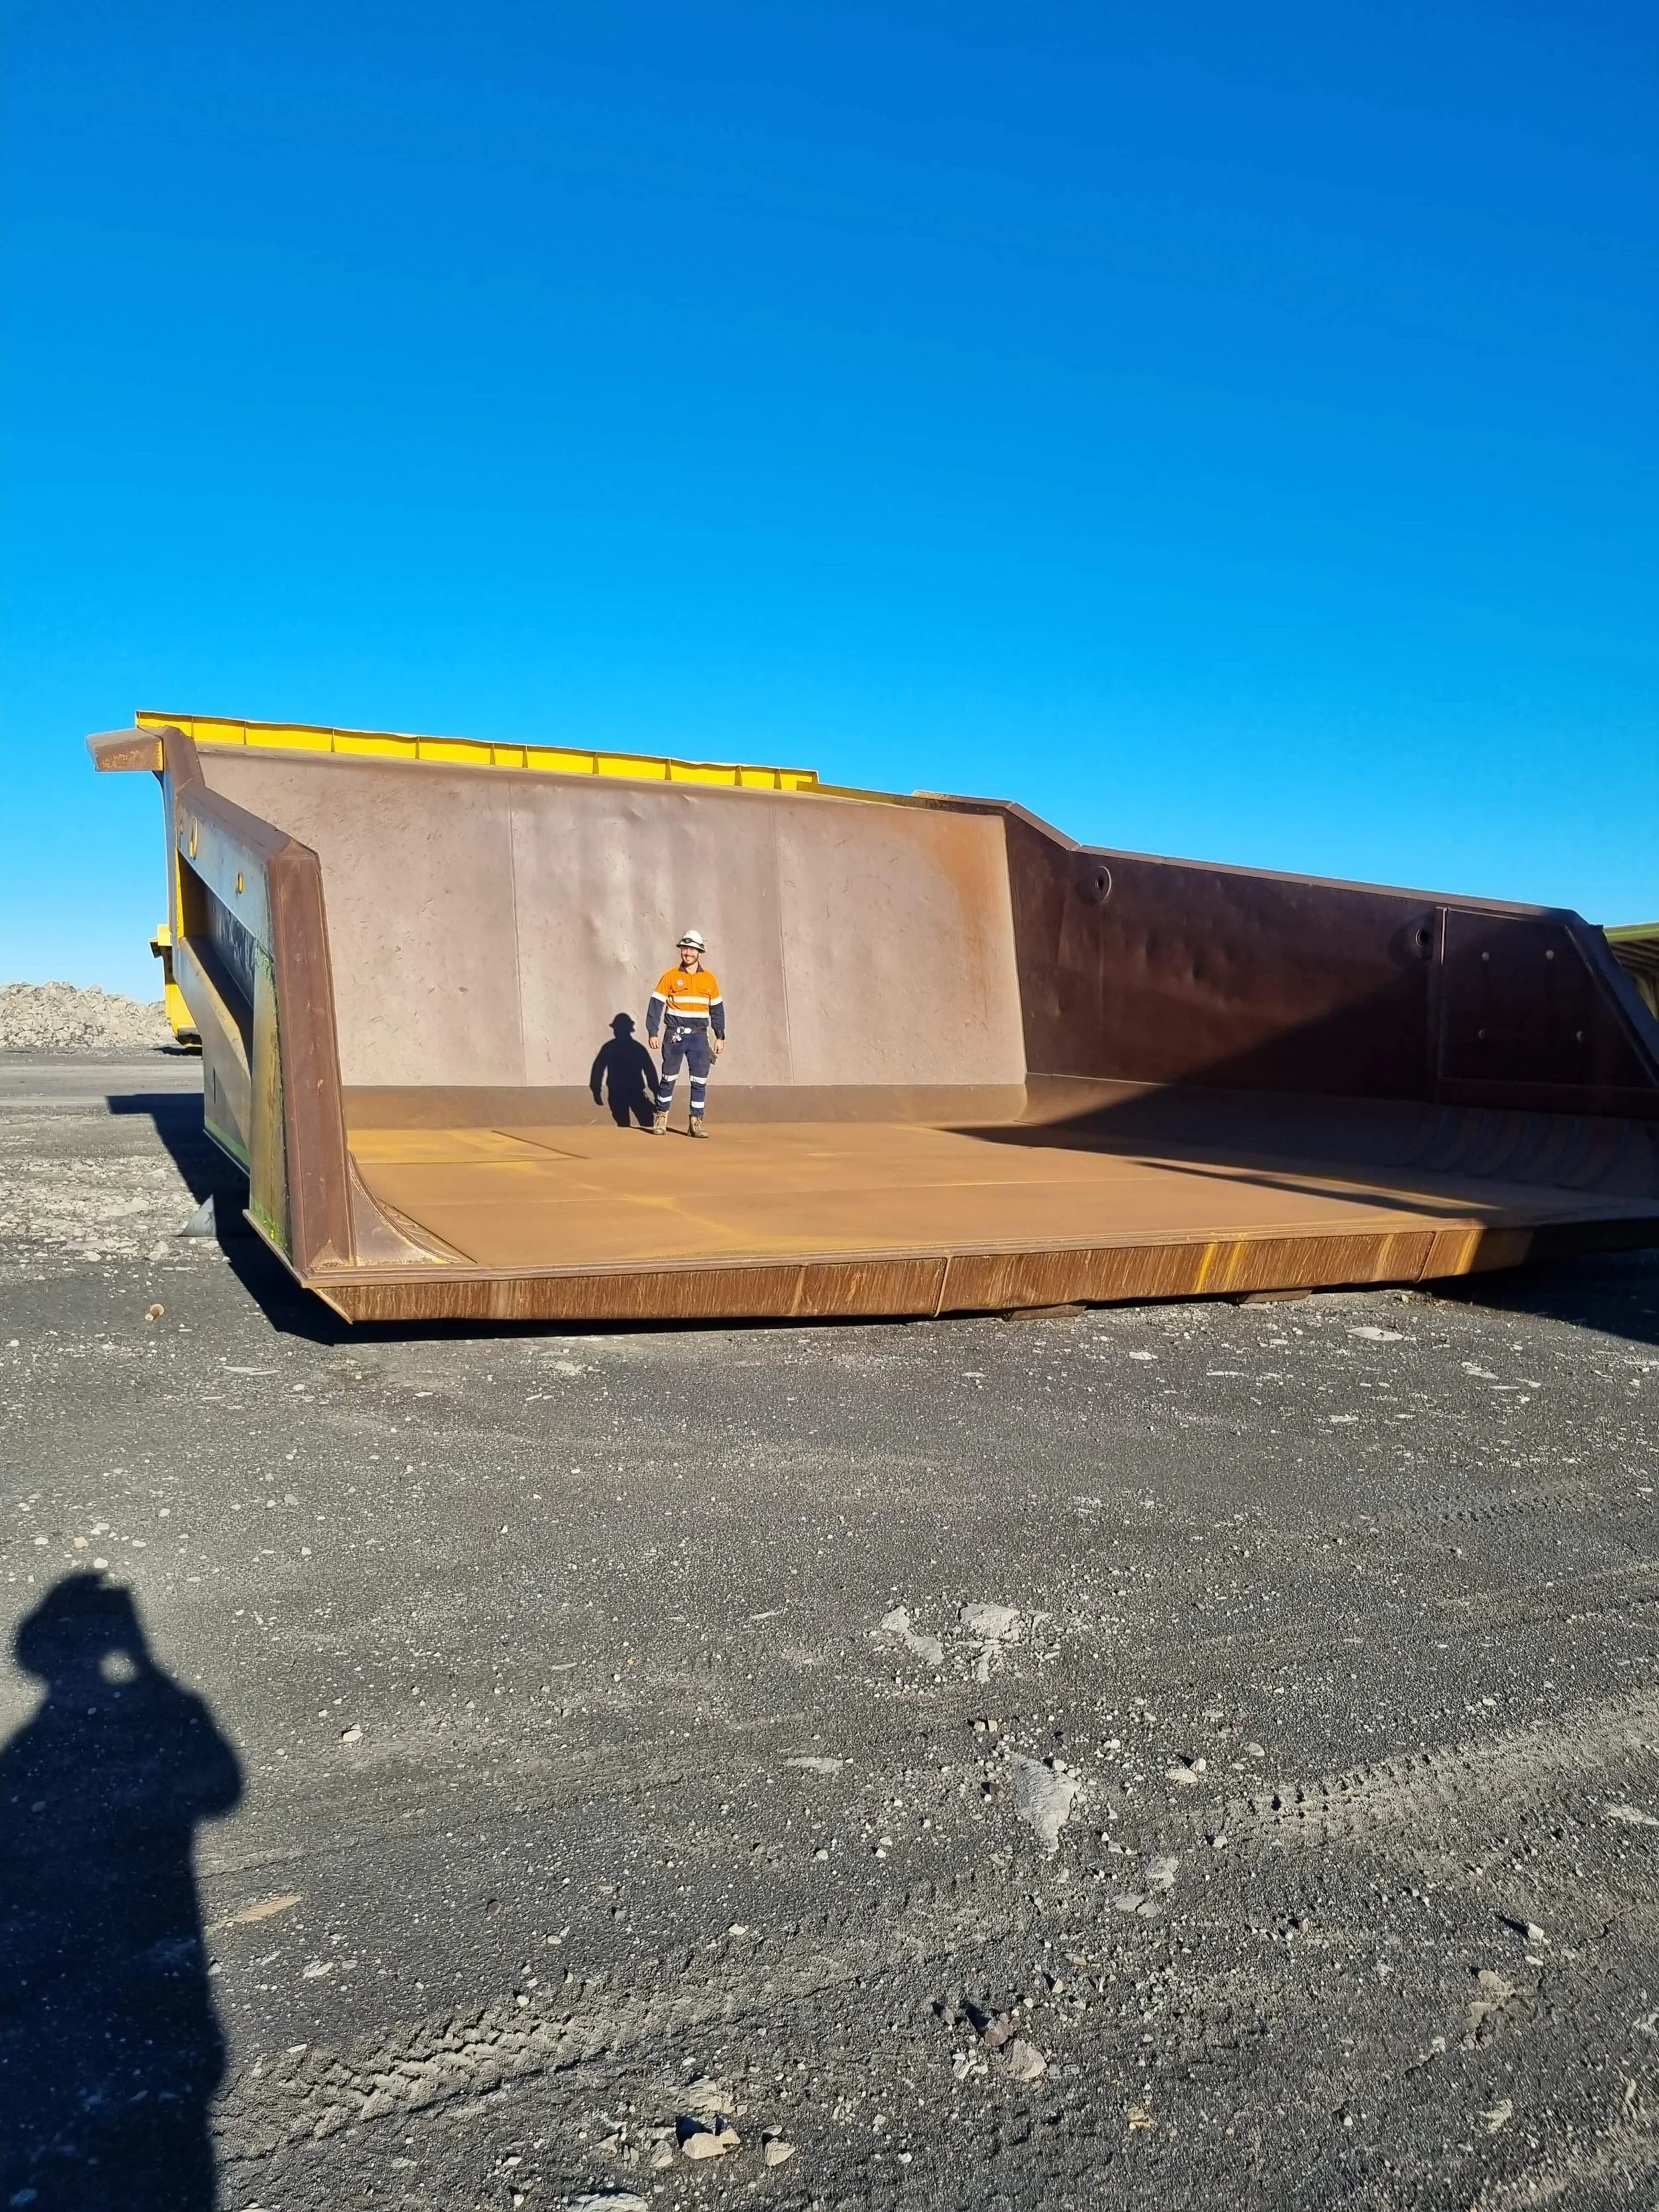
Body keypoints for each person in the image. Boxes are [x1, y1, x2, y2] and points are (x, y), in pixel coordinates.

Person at [646, 929, 725, 1138]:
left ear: (700, 952)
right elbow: (656, 1005)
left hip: (700, 1037)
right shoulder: (670, 976)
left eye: (692, 949)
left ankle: (696, 1122)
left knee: (699, 1081)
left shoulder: (709, 979)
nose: (687, 953)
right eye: (685, 948)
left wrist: (720, 1036)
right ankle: (661, 1116)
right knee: (668, 1077)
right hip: (675, 1036)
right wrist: (653, 1031)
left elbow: (717, 1009)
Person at [589, 1012, 658, 1130]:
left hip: (629, 1093)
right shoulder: (637, 1048)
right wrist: (657, 1094)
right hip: (622, 1093)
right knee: (637, 1125)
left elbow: (598, 1069)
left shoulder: (611, 1048)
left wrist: (596, 1091)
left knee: (635, 1124)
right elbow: (650, 1072)